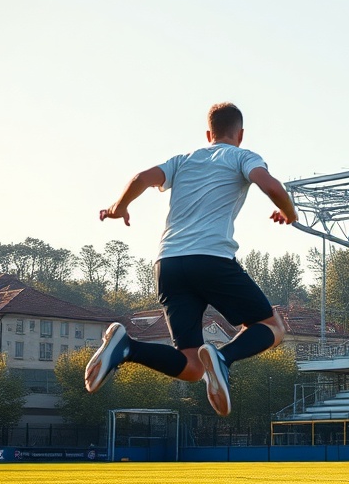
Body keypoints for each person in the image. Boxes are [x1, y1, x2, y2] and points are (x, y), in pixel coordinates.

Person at [85, 102, 297, 416]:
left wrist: (118, 207)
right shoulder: (242, 156)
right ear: (240, 134)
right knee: (272, 326)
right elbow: (271, 185)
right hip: (210, 259)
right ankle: (224, 358)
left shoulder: (182, 161)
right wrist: (289, 213)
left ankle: (126, 347)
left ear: (208, 133)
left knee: (192, 367)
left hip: (168, 264)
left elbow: (142, 177)